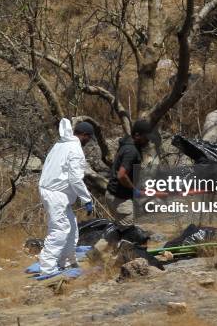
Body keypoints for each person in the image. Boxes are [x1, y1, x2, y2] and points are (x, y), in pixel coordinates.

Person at [38, 118, 94, 275]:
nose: (88, 141)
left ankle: (68, 261)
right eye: (89, 138)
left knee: (71, 228)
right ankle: (47, 269)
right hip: (56, 194)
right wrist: (87, 199)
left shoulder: (60, 144)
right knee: (60, 229)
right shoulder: (74, 149)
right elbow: (75, 178)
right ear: (84, 134)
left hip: (54, 192)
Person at [105, 120, 154, 226]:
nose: (148, 139)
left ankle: (111, 241)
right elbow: (121, 175)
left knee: (121, 230)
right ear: (137, 135)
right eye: (146, 136)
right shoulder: (131, 150)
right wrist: (134, 189)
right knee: (131, 234)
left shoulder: (127, 143)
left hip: (115, 195)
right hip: (119, 199)